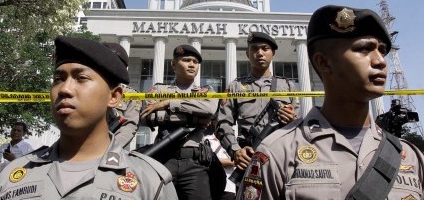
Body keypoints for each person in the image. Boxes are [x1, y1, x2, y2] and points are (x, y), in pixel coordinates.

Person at [239, 5, 424, 199]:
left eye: (382, 50)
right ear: (323, 62)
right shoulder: (277, 153)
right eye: (363, 49)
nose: (380, 61)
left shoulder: (410, 156)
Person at [0, 36, 177, 199]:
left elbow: (130, 125)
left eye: (81, 78)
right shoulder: (13, 176)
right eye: (59, 79)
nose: (64, 89)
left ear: (114, 97)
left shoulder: (149, 181)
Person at [140, 44, 219, 200]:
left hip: (195, 163)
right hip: (163, 159)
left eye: (195, 62)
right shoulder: (159, 90)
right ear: (173, 64)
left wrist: (169, 103)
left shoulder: (206, 92)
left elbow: (209, 109)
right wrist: (196, 118)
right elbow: (145, 117)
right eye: (186, 60)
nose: (191, 65)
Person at [217, 32, 298, 173]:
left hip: (282, 157)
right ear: (248, 54)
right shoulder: (235, 86)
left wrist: (292, 120)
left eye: (265, 49)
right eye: (254, 49)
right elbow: (223, 124)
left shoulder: (287, 85)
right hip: (249, 156)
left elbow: (300, 124)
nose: (260, 53)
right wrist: (236, 151)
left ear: (273, 53)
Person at [104, 42, 142, 149]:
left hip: (110, 147)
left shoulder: (131, 95)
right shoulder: (86, 87)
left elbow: (129, 126)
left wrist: (110, 147)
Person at [0, 122, 33, 198]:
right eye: (14, 130)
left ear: (24, 133)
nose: (15, 132)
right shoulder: (3, 146)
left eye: (19, 131)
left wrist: (14, 160)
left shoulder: (28, 149)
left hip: (12, 190)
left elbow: (29, 170)